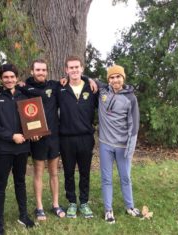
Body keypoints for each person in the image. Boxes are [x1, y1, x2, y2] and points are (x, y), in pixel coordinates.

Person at [0, 63, 35, 235]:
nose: (9, 80)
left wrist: (33, 133)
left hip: (22, 148)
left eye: (12, 77)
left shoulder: (24, 97)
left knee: (20, 182)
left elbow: (32, 119)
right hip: (4, 149)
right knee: (1, 184)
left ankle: (23, 215)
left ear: (17, 78)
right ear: (1, 80)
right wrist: (11, 136)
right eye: (5, 77)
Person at [18, 59, 65, 220]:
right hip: (38, 138)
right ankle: (39, 207)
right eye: (38, 70)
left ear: (47, 71)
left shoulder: (54, 85)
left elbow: (76, 78)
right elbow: (8, 89)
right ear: (32, 71)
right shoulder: (24, 88)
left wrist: (89, 79)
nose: (41, 73)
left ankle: (56, 204)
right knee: (38, 172)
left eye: (44, 70)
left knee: (54, 173)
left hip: (54, 137)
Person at [98, 65, 141, 224]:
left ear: (123, 78)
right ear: (108, 79)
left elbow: (134, 126)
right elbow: (85, 79)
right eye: (112, 77)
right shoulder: (102, 91)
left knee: (125, 177)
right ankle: (108, 210)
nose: (115, 80)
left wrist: (130, 149)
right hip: (105, 145)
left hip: (123, 146)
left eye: (118, 77)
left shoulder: (131, 98)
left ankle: (130, 206)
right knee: (106, 178)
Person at [57, 55, 98, 219]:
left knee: (84, 172)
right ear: (66, 70)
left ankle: (84, 202)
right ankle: (72, 202)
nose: (74, 70)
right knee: (68, 172)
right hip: (66, 138)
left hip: (86, 138)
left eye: (77, 67)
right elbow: (39, 86)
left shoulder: (92, 88)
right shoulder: (60, 89)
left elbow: (107, 87)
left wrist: (91, 79)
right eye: (71, 68)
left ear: (82, 68)